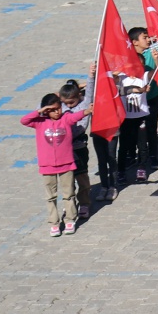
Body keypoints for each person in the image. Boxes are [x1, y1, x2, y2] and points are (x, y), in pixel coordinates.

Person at [20, 92, 91, 237]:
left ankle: (70, 219)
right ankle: (54, 223)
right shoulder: (39, 122)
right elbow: (24, 120)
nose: (57, 112)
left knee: (68, 194)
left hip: (66, 164)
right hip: (47, 166)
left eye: (58, 108)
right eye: (52, 110)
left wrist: (88, 110)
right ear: (46, 110)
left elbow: (77, 116)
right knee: (50, 197)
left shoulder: (66, 119)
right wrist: (39, 111)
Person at [115, 29, 154, 184]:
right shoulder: (122, 79)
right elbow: (117, 88)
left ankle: (142, 168)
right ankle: (121, 171)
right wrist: (117, 71)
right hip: (126, 118)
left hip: (141, 116)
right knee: (124, 146)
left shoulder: (144, 76)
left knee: (142, 145)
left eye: (140, 65)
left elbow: (155, 73)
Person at [57, 79, 92, 218]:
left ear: (79, 96)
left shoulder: (84, 105)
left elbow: (90, 91)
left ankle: (84, 203)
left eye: (71, 102)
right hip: (64, 149)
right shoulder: (60, 107)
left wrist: (91, 75)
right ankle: (69, 205)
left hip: (78, 147)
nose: (68, 105)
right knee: (67, 180)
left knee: (82, 177)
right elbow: (41, 107)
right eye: (65, 102)